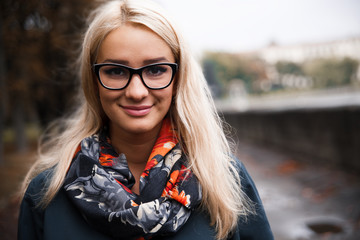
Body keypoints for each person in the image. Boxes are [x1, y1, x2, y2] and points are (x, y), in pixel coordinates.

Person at [18, 0, 273, 239]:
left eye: (156, 70)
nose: (137, 92)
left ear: (179, 78)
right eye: (116, 71)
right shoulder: (46, 196)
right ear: (93, 81)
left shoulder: (226, 182)